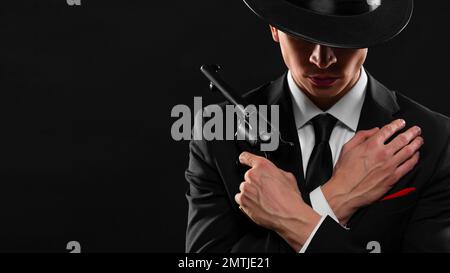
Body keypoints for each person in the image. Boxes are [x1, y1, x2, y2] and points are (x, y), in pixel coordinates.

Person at [185, 0, 450, 252]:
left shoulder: (438, 139)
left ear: (368, 33)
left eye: (341, 36)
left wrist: (302, 216)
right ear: (275, 28)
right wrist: (334, 199)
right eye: (304, 35)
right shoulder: (217, 131)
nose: (322, 59)